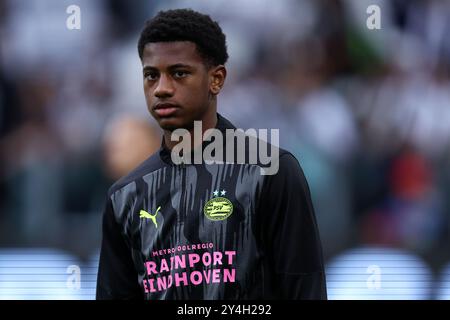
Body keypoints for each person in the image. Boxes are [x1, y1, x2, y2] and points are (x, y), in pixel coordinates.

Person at [96, 8, 327, 300]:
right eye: (151, 76)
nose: (162, 89)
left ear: (216, 79)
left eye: (179, 73)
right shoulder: (124, 196)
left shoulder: (271, 172)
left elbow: (305, 292)